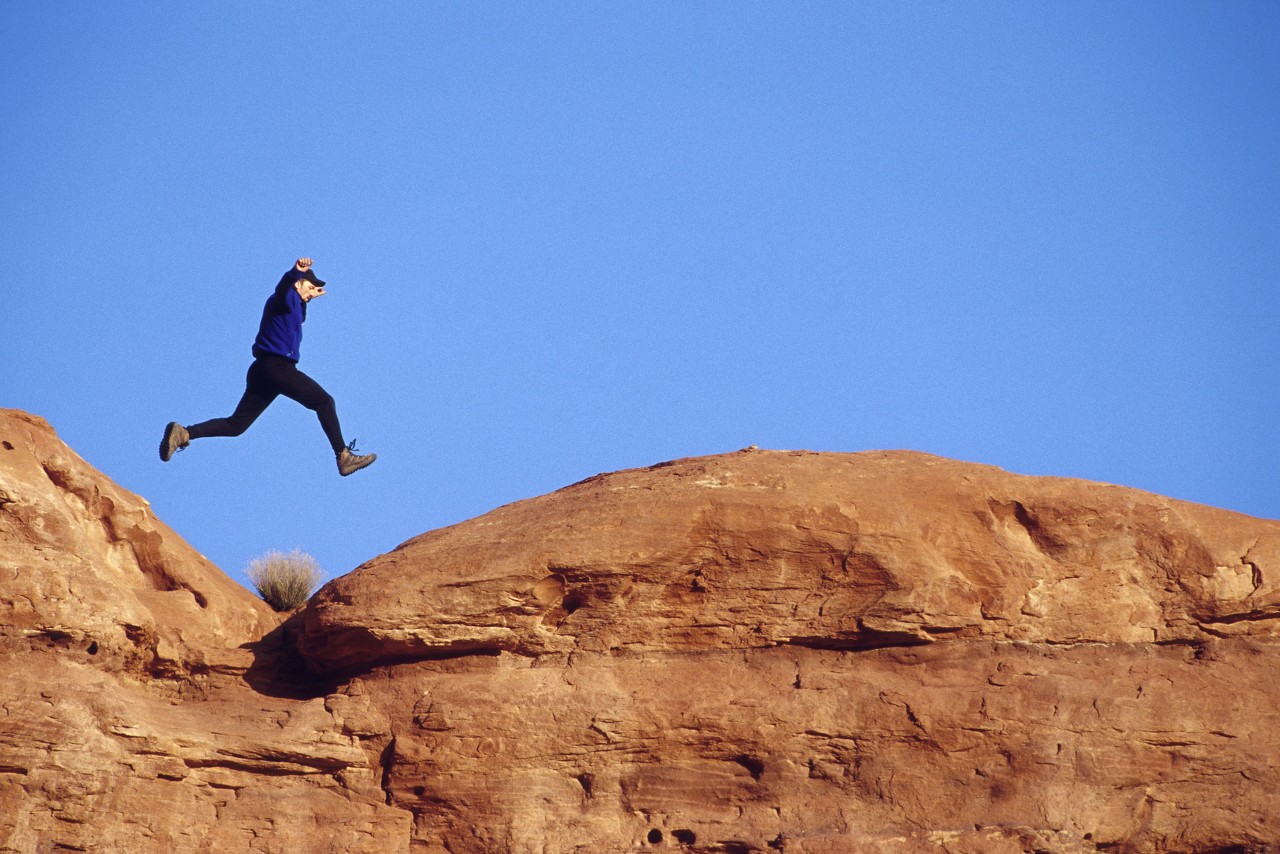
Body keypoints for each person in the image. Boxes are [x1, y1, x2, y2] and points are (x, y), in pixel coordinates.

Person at [159, 258, 376, 477]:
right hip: (277, 367)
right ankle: (343, 456)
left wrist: (309, 295)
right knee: (324, 402)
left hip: (263, 371)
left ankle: (184, 433)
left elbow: (297, 310)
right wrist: (295, 272)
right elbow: (282, 288)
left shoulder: (296, 306)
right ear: (297, 283)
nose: (312, 292)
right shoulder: (283, 299)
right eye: (309, 287)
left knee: (236, 426)